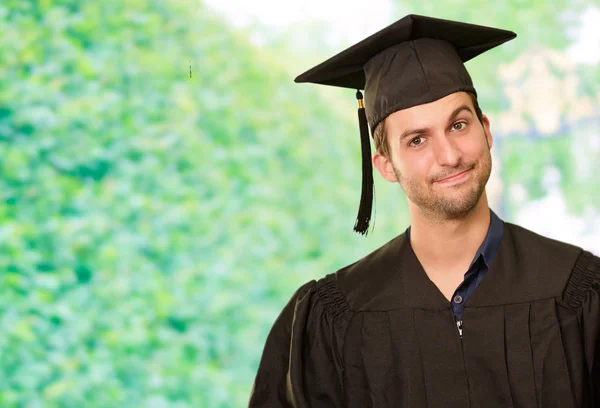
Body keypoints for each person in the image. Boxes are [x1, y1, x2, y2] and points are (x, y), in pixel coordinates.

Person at [248, 14, 600, 408]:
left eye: (459, 125)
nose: (449, 155)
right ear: (385, 166)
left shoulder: (580, 291)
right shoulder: (335, 318)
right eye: (417, 140)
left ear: (486, 130)